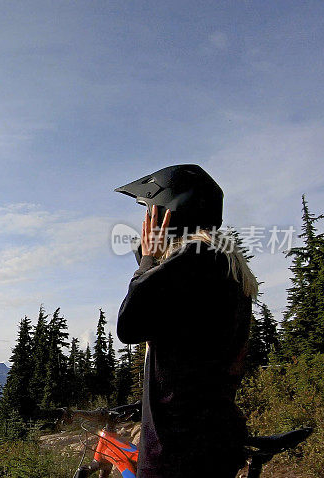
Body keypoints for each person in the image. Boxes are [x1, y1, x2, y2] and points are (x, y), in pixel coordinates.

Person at [115, 164, 258, 478]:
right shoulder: (225, 264)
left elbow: (129, 326)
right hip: (212, 440)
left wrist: (148, 261)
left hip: (178, 452)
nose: (144, 225)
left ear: (169, 215)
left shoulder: (194, 259)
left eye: (150, 213)